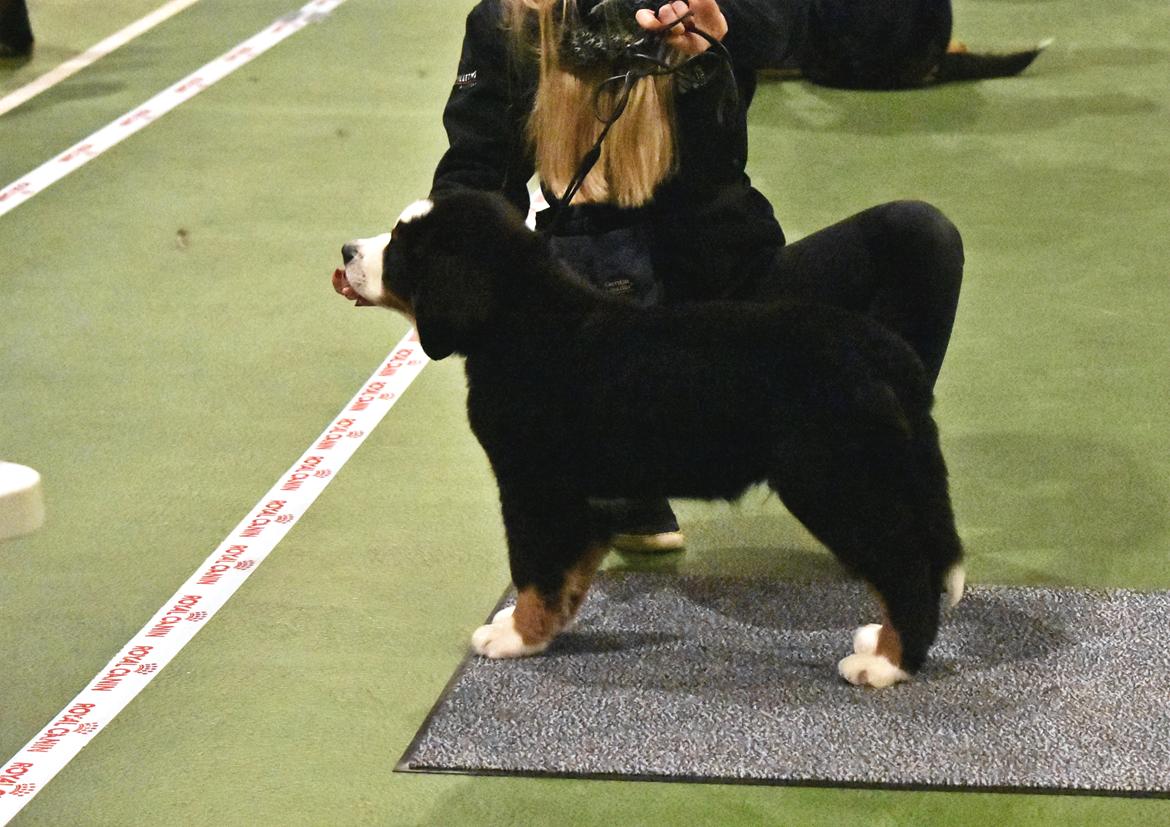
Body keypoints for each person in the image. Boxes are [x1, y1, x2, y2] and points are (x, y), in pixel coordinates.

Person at [337, 0, 963, 553]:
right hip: (617, 326)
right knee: (574, 285)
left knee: (918, 240)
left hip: (729, 280)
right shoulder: (509, 18)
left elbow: (780, 32)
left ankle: (863, 476)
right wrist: (409, 269)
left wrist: (719, 35)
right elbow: (474, 181)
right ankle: (620, 484)